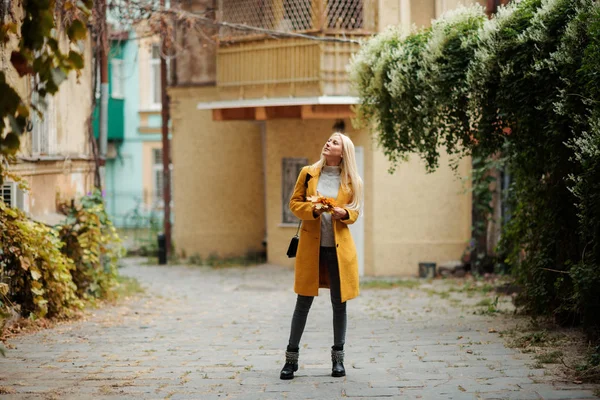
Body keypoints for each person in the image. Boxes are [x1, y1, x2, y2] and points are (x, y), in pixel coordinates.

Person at [280, 131, 363, 380]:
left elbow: (355, 213)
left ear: (343, 151)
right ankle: (290, 360)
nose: (328, 143)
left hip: (339, 252)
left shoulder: (352, 181)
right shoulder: (308, 173)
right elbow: (294, 204)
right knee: (302, 303)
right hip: (311, 248)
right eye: (328, 140)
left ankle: (338, 360)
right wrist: (313, 209)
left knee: (339, 304)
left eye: (334, 142)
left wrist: (343, 214)